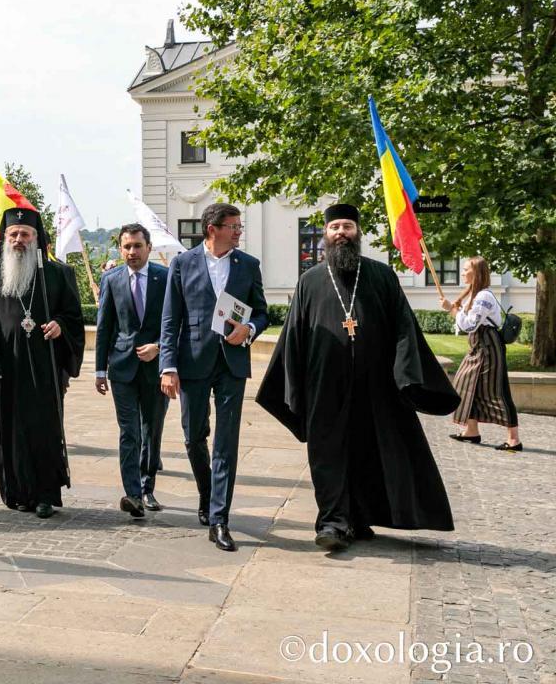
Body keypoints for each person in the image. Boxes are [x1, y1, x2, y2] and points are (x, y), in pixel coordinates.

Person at [256, 204, 458, 552]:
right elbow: (294, 335)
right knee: (328, 453)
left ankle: (359, 517)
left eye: (347, 226)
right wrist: (293, 386)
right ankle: (333, 522)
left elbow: (404, 329)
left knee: (370, 450)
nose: (341, 233)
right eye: (334, 227)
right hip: (324, 386)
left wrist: (405, 374)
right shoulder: (311, 281)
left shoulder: (381, 276)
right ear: (325, 235)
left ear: (357, 232)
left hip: (376, 385)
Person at [0, 208, 85, 519]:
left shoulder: (57, 275)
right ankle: (15, 492)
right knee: (8, 433)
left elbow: (73, 317)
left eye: (24, 234)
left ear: (36, 239)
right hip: (7, 372)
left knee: (43, 431)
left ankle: (44, 495)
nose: (18, 239)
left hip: (44, 370)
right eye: (13, 235)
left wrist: (60, 326)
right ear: (5, 239)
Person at [160, 202, 268, 552]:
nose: (239, 231)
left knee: (226, 443)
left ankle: (220, 519)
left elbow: (263, 312)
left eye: (239, 225)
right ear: (213, 229)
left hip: (232, 364)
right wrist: (168, 366)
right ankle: (207, 494)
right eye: (233, 226)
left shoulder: (248, 265)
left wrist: (249, 329)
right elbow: (170, 319)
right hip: (192, 362)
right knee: (193, 437)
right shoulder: (182, 263)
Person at [96, 223, 169, 518]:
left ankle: (147, 485)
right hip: (122, 368)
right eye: (126, 247)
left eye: (137, 246)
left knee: (151, 431)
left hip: (156, 368)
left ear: (149, 248)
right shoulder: (111, 279)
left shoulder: (165, 278)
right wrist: (100, 370)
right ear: (120, 249)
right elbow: (104, 327)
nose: (132, 252)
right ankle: (133, 494)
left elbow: (176, 323)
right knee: (129, 432)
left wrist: (160, 348)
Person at [443, 257, 522, 451]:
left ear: (476, 272)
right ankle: (471, 431)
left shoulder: (483, 297)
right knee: (465, 383)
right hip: (478, 347)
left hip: (489, 348)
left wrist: (452, 312)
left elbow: (469, 324)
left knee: (498, 391)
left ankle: (514, 440)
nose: (462, 273)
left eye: (465, 269)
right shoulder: (474, 294)